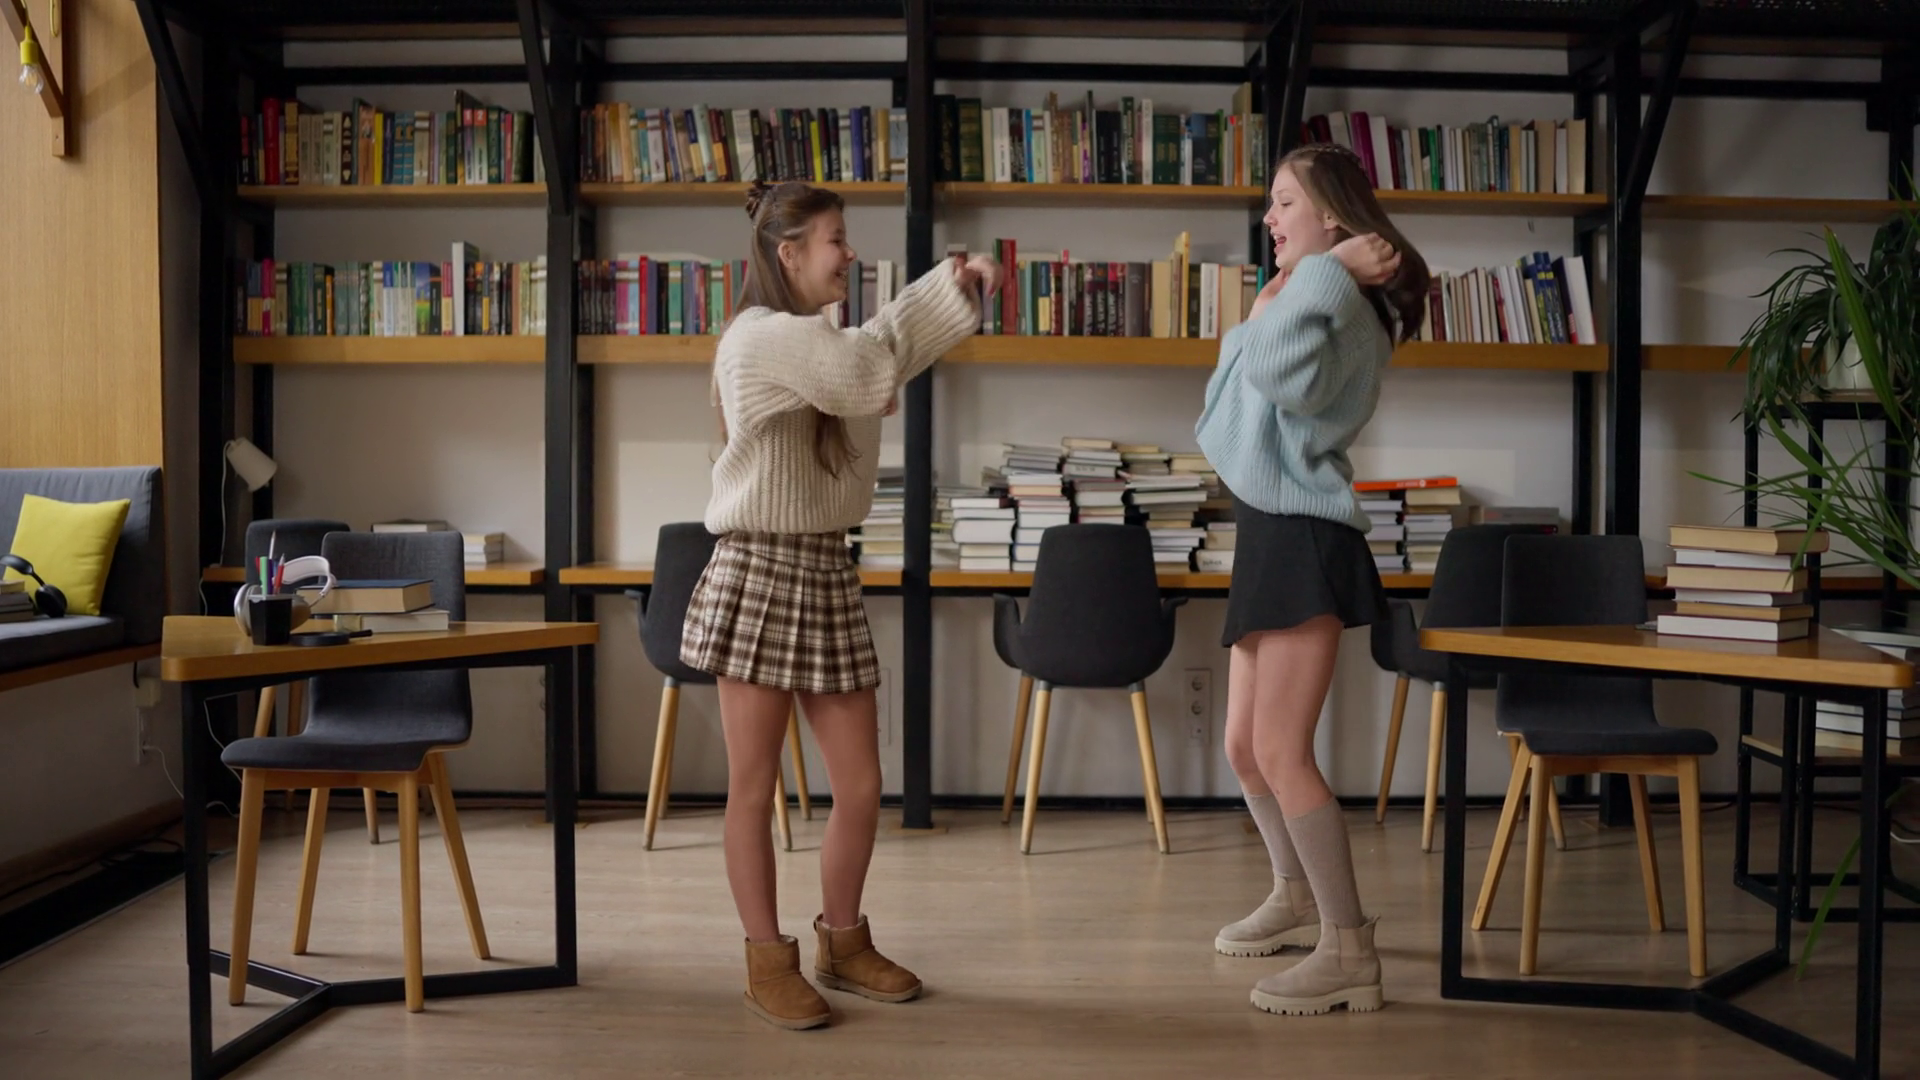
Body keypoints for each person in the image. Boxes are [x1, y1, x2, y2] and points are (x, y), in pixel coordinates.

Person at [681, 179, 1002, 1031]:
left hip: (823, 569)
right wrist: (902, 342)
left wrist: (953, 283)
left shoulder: (815, 340)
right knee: (754, 789)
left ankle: (844, 943)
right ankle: (766, 961)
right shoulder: (759, 337)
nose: (849, 253)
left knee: (860, 785)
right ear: (787, 253)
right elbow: (867, 368)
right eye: (835, 238)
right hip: (758, 569)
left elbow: (873, 351)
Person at [1194, 143, 1430, 1016]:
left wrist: (1321, 278)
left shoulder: (1346, 310)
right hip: (1269, 529)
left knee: (1284, 753)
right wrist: (1278, 298)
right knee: (1243, 748)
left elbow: (1276, 382)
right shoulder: (1304, 296)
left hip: (1304, 534)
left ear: (1332, 215)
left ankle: (1349, 950)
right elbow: (1221, 414)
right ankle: (1295, 896)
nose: (1269, 217)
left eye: (1283, 202)